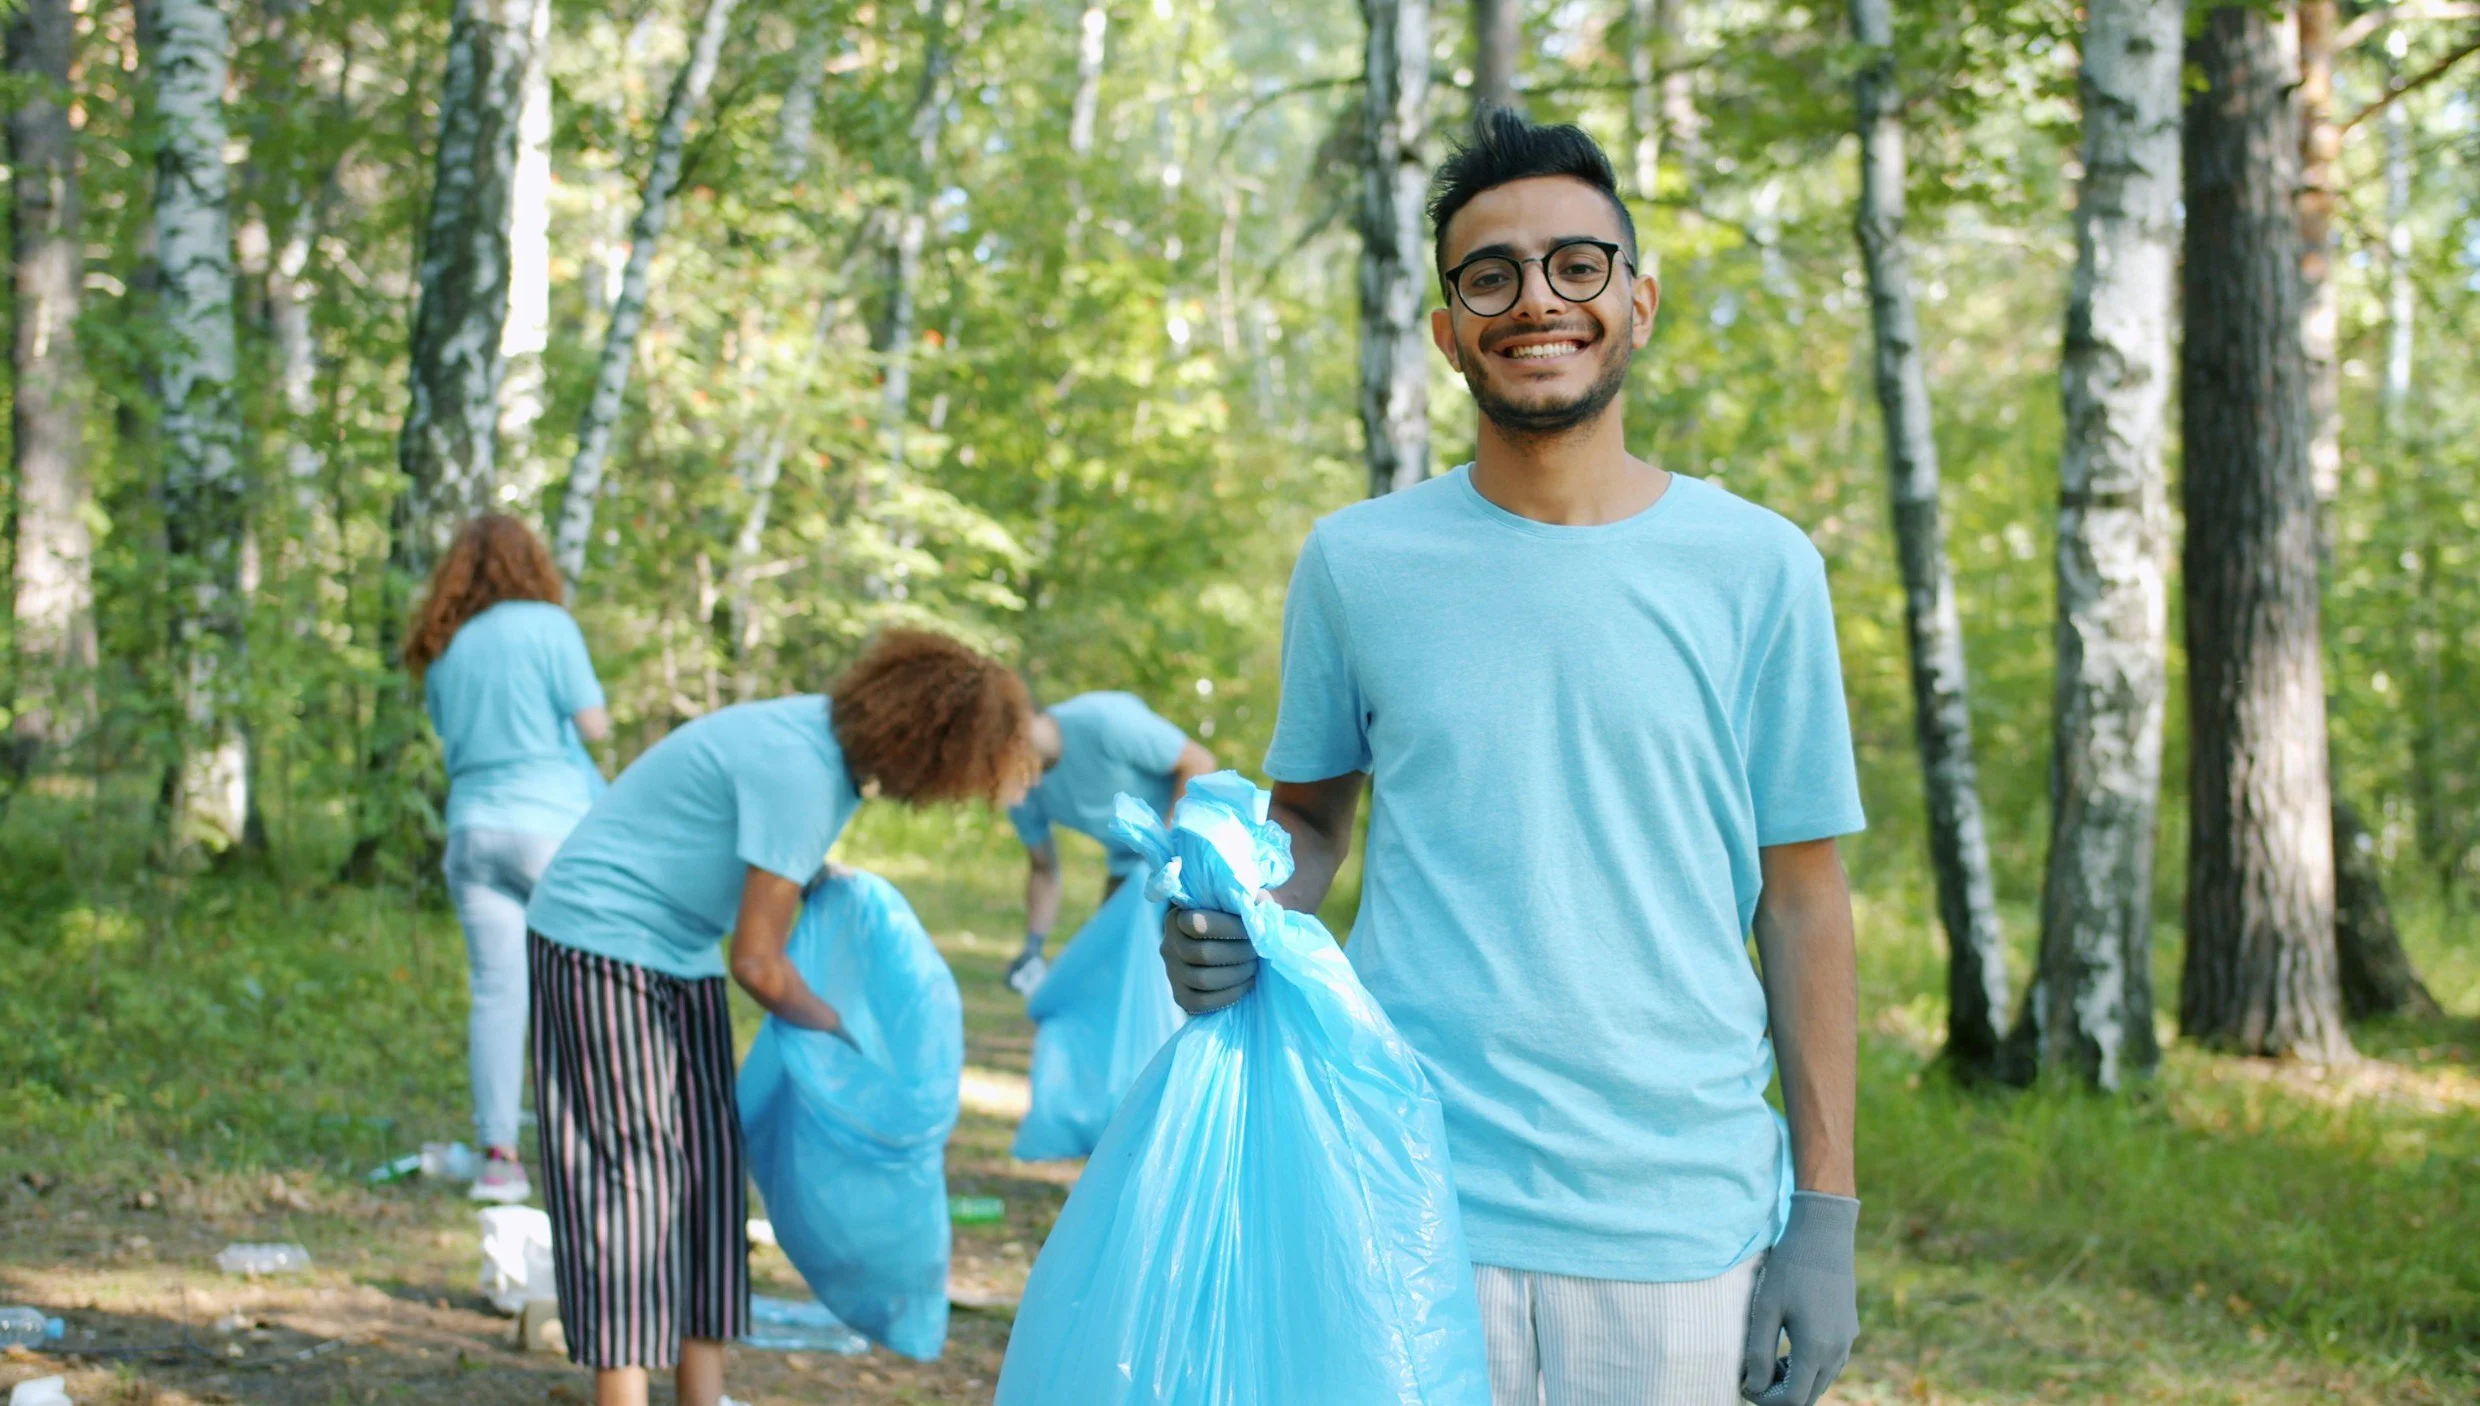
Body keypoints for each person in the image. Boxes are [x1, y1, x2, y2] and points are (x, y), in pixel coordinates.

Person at [1161, 111, 1864, 1406]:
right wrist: (1243, 906)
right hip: (1405, 1196)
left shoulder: (1761, 568)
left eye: (1577, 264)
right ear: (1448, 330)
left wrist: (1826, 1207)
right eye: (1490, 275)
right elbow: (1311, 821)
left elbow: (1805, 896)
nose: (1537, 298)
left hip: (1680, 1226)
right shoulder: (1356, 562)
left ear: (1638, 302)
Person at [522, 629, 1038, 1406]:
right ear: (932, 752)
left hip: (675, 948)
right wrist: (837, 1029)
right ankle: (621, 1394)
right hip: (598, 939)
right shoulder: (802, 769)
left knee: (708, 1173)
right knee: (634, 1176)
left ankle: (702, 1394)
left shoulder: (819, 750)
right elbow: (759, 964)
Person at [405, 513, 610, 1206]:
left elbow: (449, 733)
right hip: (552, 828)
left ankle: (499, 1160)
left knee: (497, 993)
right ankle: (588, 1147)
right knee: (579, 988)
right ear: (531, 562)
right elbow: (594, 726)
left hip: (473, 832)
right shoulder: (549, 626)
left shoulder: (445, 643)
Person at [1003, 691, 1214, 993]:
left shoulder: (1102, 722)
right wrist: (1033, 948)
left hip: (1191, 858)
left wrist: (1162, 854)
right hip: (1131, 871)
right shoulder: (1019, 787)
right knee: (1111, 984)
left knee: (1196, 980)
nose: (1027, 785)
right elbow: (1043, 869)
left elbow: (1199, 762)